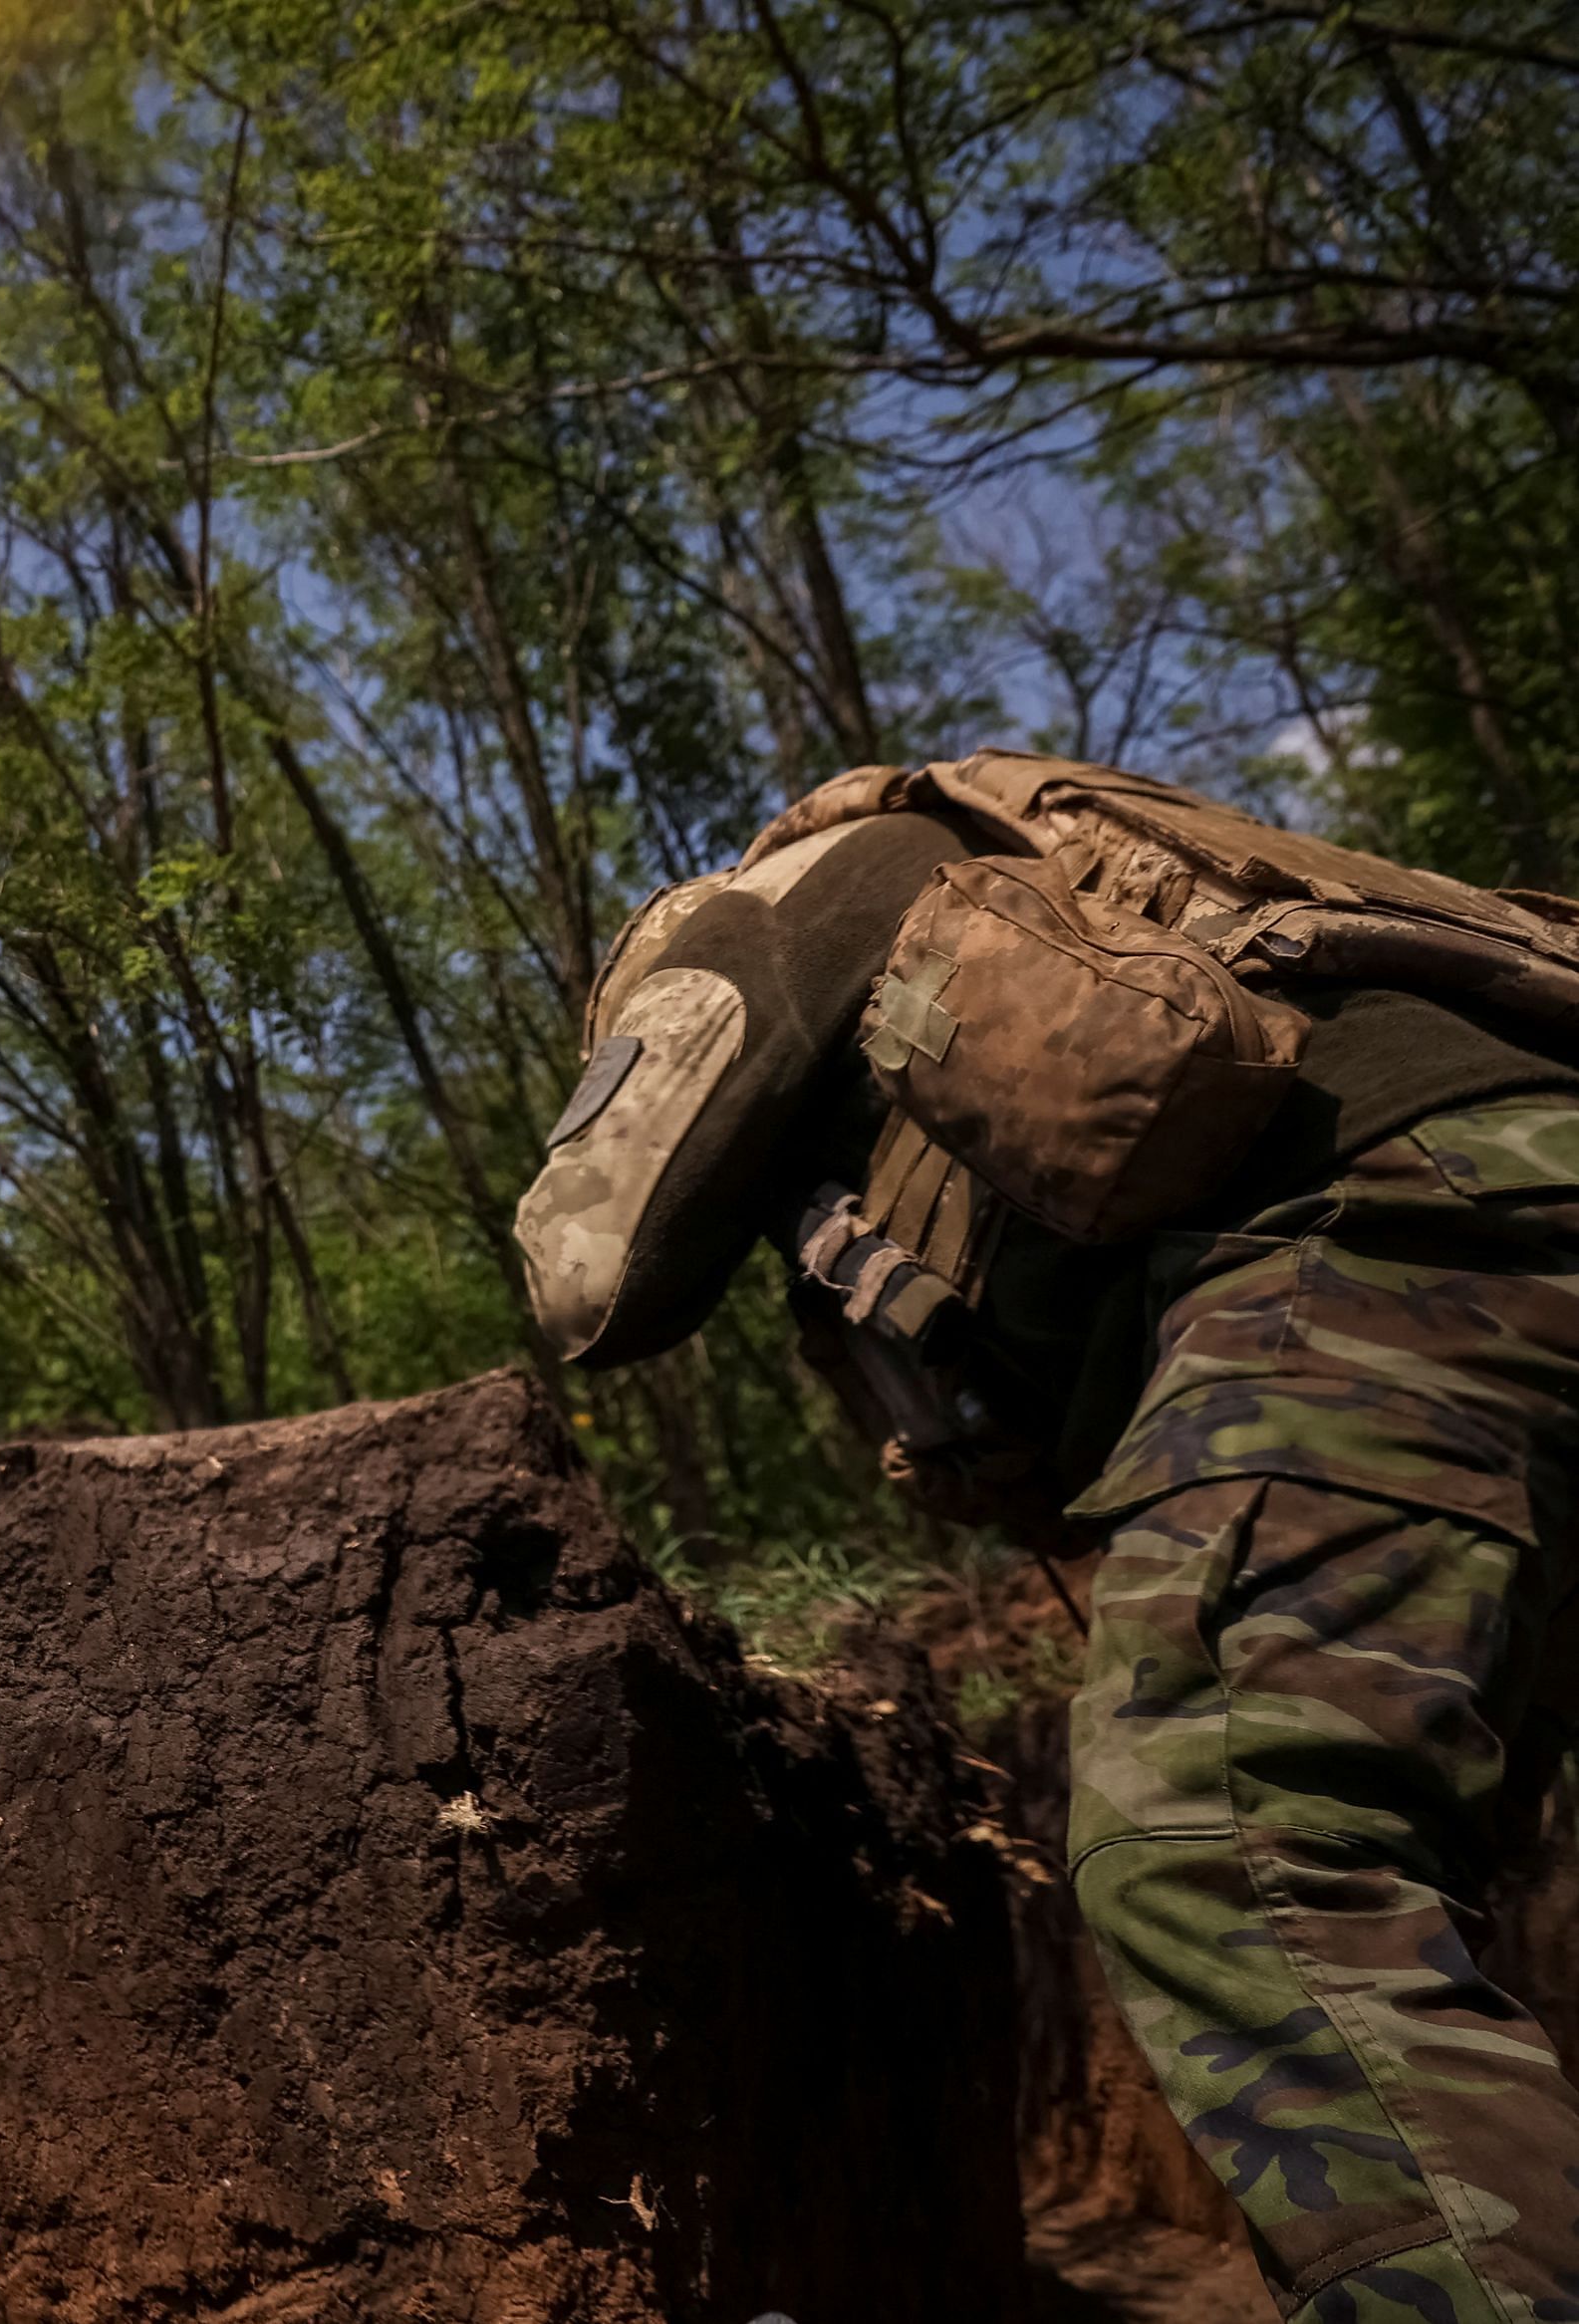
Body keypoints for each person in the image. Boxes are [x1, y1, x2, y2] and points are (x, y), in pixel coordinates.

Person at [518, 747, 1579, 2323]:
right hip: (1522, 1198)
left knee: (1226, 1831)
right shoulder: (1084, 869)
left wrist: (646, 1020)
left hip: (1397, 1225)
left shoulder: (793, 895)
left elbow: (592, 1267)